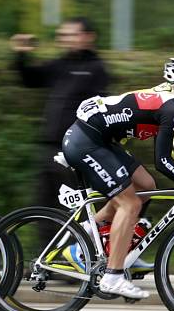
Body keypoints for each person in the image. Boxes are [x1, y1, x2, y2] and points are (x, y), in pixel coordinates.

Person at [60, 67, 174, 299]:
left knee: (145, 185)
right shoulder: (172, 111)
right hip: (85, 141)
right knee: (130, 205)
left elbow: (170, 157)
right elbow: (162, 161)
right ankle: (113, 277)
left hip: (100, 139)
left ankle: (87, 236)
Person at [10, 17, 109, 211]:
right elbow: (30, 79)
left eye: (73, 34)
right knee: (43, 206)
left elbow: (101, 111)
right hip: (48, 148)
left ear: (89, 37)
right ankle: (46, 244)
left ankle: (77, 242)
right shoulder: (60, 64)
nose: (67, 39)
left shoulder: (97, 68)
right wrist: (21, 55)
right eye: (63, 35)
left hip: (73, 150)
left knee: (72, 211)